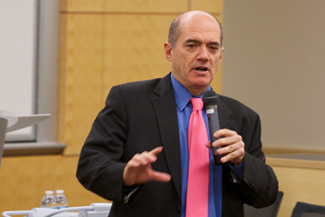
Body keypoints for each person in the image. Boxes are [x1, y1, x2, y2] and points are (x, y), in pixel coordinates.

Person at [76, 10, 278, 217]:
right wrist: (125, 176)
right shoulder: (129, 101)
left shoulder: (243, 117)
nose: (203, 56)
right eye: (192, 45)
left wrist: (241, 162)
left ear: (220, 56)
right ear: (169, 51)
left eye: (212, 47)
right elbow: (89, 166)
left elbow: (266, 195)